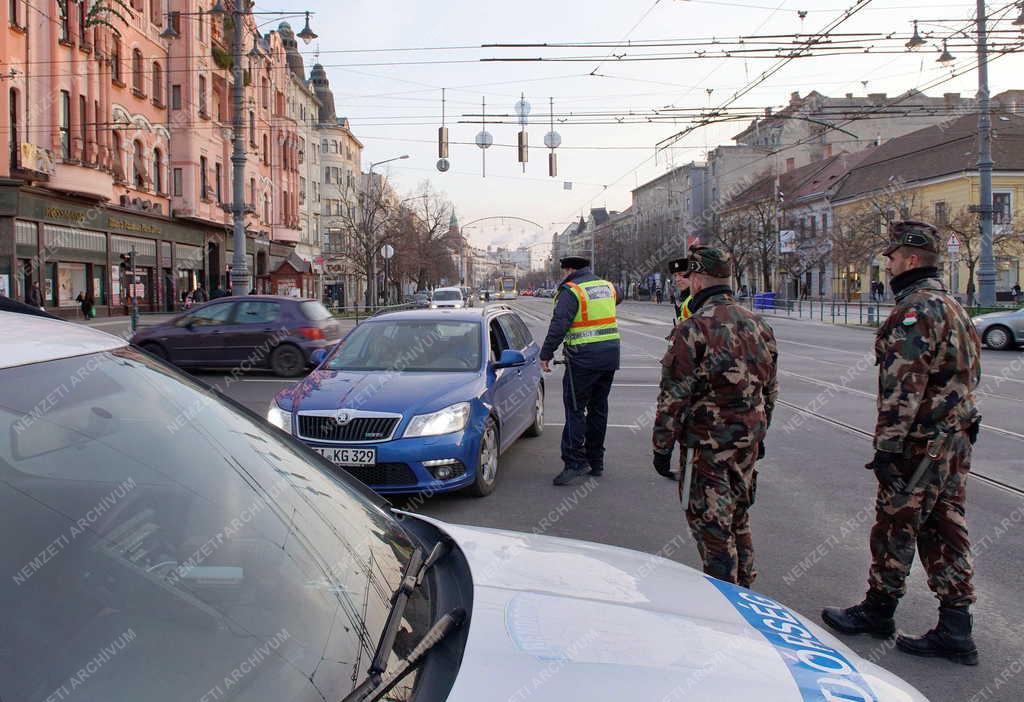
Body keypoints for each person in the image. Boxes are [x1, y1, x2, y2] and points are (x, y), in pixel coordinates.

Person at [822, 221, 982, 666]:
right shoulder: (953, 305)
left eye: (891, 257)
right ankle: (956, 625)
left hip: (920, 444)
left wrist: (888, 447)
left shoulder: (915, 311)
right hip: (954, 439)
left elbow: (903, 387)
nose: (887, 264)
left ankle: (879, 611)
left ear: (910, 260)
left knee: (896, 524)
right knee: (945, 527)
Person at [651, 247, 778, 587]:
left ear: (697, 278)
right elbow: (771, 390)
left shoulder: (694, 328)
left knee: (711, 529)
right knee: (738, 519)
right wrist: (759, 434)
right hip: (747, 444)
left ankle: (725, 603)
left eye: (689, 277)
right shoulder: (758, 324)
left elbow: (673, 398)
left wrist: (661, 448)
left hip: (706, 449)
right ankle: (746, 591)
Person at [540, 256, 621, 485]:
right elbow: (617, 301)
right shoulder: (607, 286)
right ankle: (596, 461)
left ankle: (575, 462)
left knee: (576, 410)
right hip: (610, 357)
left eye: (563, 271)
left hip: (583, 360)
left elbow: (559, 325)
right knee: (599, 409)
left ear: (568, 270)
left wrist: (546, 354)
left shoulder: (572, 290)